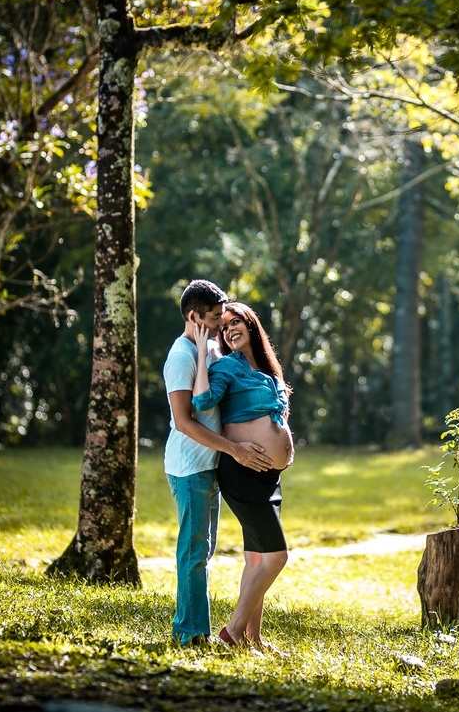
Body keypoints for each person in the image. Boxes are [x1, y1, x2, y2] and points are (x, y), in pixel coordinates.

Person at [163, 280, 272, 647]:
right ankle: (190, 633)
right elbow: (184, 420)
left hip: (211, 465)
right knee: (194, 551)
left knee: (203, 549)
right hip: (190, 466)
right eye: (212, 317)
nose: (219, 323)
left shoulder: (211, 346)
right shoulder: (180, 357)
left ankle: (195, 628)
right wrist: (233, 449)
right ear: (194, 316)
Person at [191, 301, 294, 653]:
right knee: (276, 557)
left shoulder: (270, 370)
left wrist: (285, 450)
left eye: (237, 322)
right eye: (225, 326)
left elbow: (276, 416)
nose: (230, 329)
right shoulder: (227, 367)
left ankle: (253, 638)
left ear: (251, 325)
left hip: (269, 478)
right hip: (242, 470)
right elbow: (203, 401)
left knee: (255, 558)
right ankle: (232, 632)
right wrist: (206, 357)